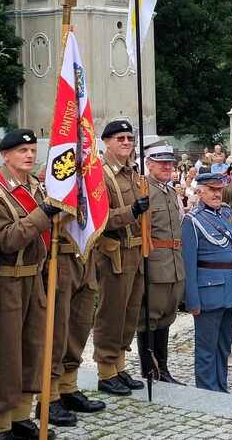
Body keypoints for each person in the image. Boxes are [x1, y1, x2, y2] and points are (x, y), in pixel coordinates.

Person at [0, 130, 57, 440]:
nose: (29, 155)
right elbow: (6, 241)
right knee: (6, 354)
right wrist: (42, 215)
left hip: (34, 278)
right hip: (8, 281)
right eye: (21, 150)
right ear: (5, 155)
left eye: (32, 149)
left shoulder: (37, 187)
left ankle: (21, 415)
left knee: (32, 349)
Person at [95, 120, 149, 396]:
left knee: (130, 313)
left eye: (130, 138)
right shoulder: (100, 174)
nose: (126, 142)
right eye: (120, 138)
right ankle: (105, 369)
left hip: (136, 252)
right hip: (114, 253)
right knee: (112, 313)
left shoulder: (132, 172)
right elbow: (98, 217)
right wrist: (131, 211)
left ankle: (119, 364)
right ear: (106, 141)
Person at [182, 173, 232, 391]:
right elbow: (188, 264)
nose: (217, 194)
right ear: (200, 192)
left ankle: (221, 387)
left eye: (219, 190)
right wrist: (192, 300)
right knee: (207, 347)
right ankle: (207, 391)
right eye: (212, 189)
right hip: (208, 291)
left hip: (231, 289)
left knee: (224, 345)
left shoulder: (226, 214)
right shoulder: (193, 220)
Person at [136, 144, 185, 385]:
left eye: (170, 163)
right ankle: (150, 369)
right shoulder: (143, 190)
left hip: (174, 262)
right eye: (161, 162)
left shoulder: (168, 191)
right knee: (149, 317)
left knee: (167, 317)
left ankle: (163, 368)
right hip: (155, 263)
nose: (167, 167)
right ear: (149, 164)